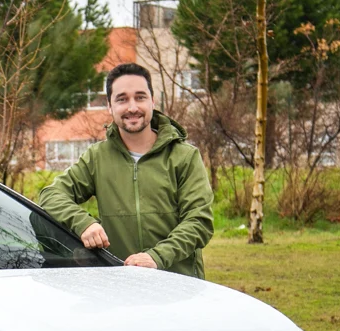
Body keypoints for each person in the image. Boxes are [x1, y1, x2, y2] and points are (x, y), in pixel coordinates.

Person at [38, 62, 214, 278]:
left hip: (178, 282)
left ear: (152, 101)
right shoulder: (97, 157)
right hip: (120, 283)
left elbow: (199, 221)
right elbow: (51, 195)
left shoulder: (184, 156)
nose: (132, 107)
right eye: (122, 99)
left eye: (140, 97)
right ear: (110, 106)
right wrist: (83, 223)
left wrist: (157, 257)